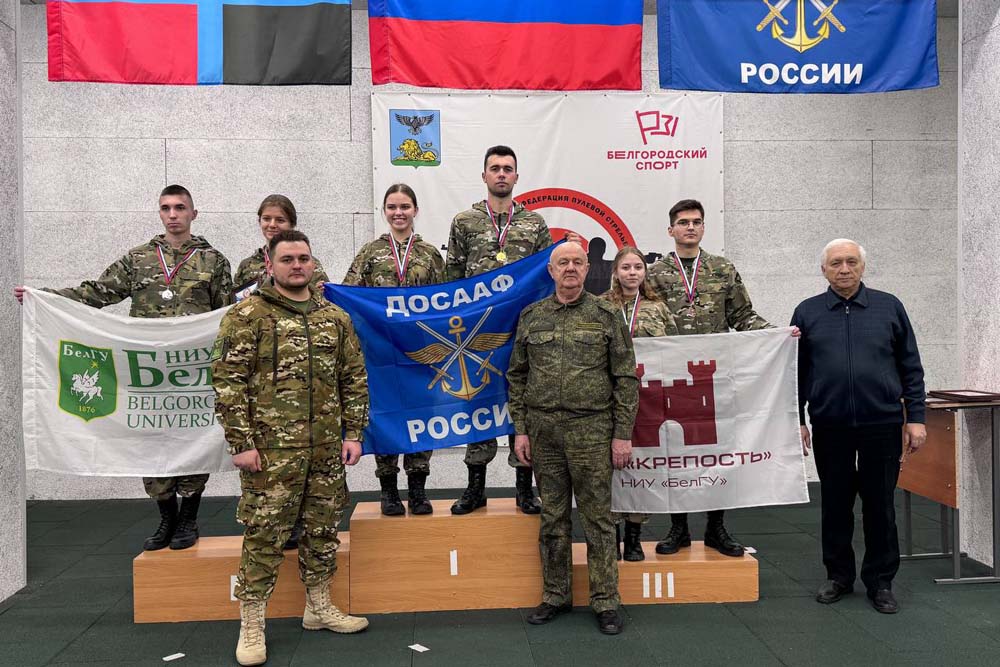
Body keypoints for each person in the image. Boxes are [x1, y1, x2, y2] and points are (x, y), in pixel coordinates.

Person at [13, 184, 232, 552]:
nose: (173, 214)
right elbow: (99, 292)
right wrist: (45, 298)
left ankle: (189, 519)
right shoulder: (138, 258)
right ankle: (166, 517)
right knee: (150, 438)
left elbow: (227, 315)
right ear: (159, 213)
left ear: (194, 213)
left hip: (191, 369)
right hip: (145, 369)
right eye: (166, 207)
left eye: (180, 207)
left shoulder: (214, 261)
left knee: (194, 434)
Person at [212, 229, 370, 666]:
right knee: (264, 535)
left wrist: (354, 433)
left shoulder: (334, 317)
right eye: (287, 259)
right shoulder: (247, 315)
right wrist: (241, 443)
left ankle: (318, 607)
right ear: (270, 263)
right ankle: (251, 624)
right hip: (271, 454)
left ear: (313, 262)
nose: (297, 266)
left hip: (325, 451)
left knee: (322, 531)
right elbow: (228, 383)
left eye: (303, 258)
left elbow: (353, 377)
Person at [507, 242, 638, 635]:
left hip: (592, 431)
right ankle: (555, 595)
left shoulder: (606, 314)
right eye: (562, 262)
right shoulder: (532, 316)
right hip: (544, 433)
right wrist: (521, 429)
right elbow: (517, 375)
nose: (570, 268)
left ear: (587, 268)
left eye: (577, 262)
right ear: (550, 270)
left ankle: (606, 600)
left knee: (598, 519)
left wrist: (622, 434)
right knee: (553, 518)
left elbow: (625, 377)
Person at [792, 239, 926, 615]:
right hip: (829, 425)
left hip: (882, 423)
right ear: (823, 270)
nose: (844, 269)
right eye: (836, 263)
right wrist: (796, 420)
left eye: (851, 262)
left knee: (880, 505)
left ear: (863, 267)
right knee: (835, 504)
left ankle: (880, 582)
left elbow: (911, 366)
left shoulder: (889, 307)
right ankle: (838, 576)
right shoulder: (807, 312)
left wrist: (916, 418)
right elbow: (795, 372)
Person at [645, 198, 770, 558]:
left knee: (716, 450)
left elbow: (743, 316)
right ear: (671, 229)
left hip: (713, 375)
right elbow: (642, 319)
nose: (690, 227)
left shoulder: (722, 269)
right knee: (676, 451)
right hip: (672, 376)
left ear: (703, 228)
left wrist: (777, 334)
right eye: (683, 222)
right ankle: (679, 527)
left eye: (696, 222)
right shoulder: (655, 273)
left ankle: (716, 527)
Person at [444, 145, 550, 515]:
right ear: (484, 175)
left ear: (516, 176)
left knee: (524, 406)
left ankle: (524, 489)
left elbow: (545, 279)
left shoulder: (535, 224)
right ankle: (475, 489)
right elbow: (453, 278)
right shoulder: (465, 222)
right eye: (495, 168)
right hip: (478, 334)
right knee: (479, 405)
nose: (501, 174)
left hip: (524, 334)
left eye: (507, 168)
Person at [343, 184, 445, 516]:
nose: (398, 213)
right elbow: (350, 294)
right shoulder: (370, 253)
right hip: (381, 355)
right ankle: (388, 491)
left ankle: (418, 490)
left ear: (415, 210)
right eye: (392, 207)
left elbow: (445, 301)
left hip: (420, 354)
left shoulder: (430, 255)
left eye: (404, 206)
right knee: (385, 416)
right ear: (384, 211)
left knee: (420, 417)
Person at [600, 246, 678, 562]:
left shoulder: (658, 309)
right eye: (626, 267)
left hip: (648, 401)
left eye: (637, 267)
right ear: (616, 272)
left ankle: (634, 535)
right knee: (609, 468)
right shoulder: (601, 307)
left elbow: (674, 351)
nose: (632, 273)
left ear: (645, 272)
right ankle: (612, 535)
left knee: (641, 464)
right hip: (608, 399)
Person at [232, 194, 330, 302]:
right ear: (259, 221)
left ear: (292, 224)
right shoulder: (247, 265)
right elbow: (235, 304)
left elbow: (325, 302)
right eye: (266, 219)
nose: (272, 225)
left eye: (280, 220)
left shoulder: (307, 264)